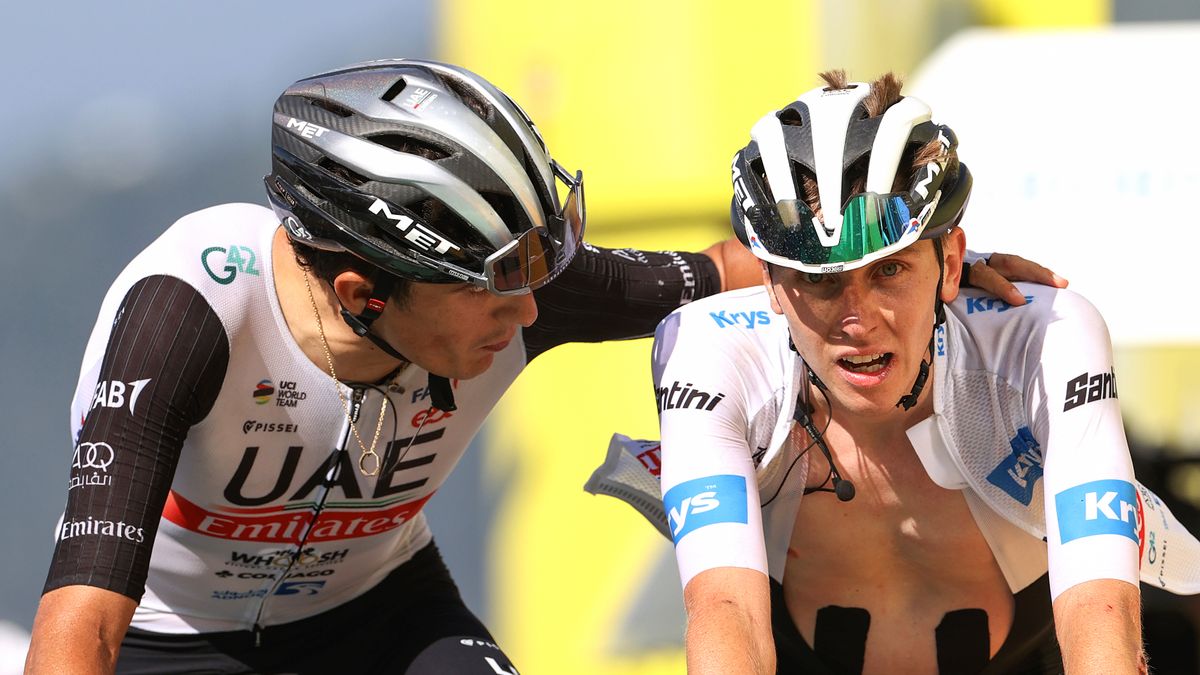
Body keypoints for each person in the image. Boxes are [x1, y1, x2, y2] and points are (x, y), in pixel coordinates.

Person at [24, 60, 1053, 675]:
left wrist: (939, 272)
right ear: (361, 294)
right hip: (174, 640)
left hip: (378, 620)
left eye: (538, 278)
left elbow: (765, 262)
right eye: (493, 293)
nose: (530, 312)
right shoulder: (189, 310)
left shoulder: (532, 285)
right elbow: (82, 622)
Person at [590, 71, 1200, 674]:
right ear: (772, 285)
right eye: (821, 282)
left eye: (889, 272)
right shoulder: (708, 350)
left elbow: (1100, 611)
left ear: (952, 264)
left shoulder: (1046, 336)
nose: (858, 319)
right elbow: (726, 611)